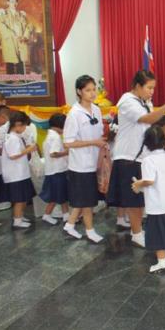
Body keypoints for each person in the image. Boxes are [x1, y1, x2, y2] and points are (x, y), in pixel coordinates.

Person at [108, 70, 165, 248]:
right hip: (128, 157)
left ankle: (137, 230)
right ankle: (136, 234)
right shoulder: (127, 101)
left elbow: (152, 123)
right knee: (133, 199)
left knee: (140, 198)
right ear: (138, 86)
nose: (152, 92)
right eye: (149, 88)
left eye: (153, 88)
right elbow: (147, 119)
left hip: (141, 157)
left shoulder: (144, 102)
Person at [131, 125, 165, 274]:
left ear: (147, 143)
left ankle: (161, 262)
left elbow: (149, 180)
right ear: (164, 141)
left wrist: (137, 184)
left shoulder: (148, 160)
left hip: (157, 205)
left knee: (158, 233)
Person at [62, 76, 106, 243]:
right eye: (88, 90)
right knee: (87, 201)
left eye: (94, 89)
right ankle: (90, 231)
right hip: (80, 165)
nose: (92, 93)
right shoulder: (74, 114)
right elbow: (68, 143)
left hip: (94, 162)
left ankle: (70, 225)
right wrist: (93, 142)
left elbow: (99, 133)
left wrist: (102, 143)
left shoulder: (96, 110)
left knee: (85, 199)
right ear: (79, 92)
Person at [1, 111, 37, 229]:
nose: (25, 128)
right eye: (24, 126)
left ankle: (19, 216)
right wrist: (29, 149)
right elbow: (13, 155)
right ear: (17, 124)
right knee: (19, 199)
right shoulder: (12, 138)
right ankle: (17, 220)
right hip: (15, 175)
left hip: (20, 173)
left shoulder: (16, 137)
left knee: (24, 197)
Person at [39, 113, 69, 226]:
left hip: (55, 170)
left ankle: (66, 216)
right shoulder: (55, 137)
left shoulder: (51, 135)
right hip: (56, 171)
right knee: (55, 196)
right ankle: (47, 215)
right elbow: (53, 153)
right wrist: (67, 152)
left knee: (62, 194)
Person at [0, 0, 33, 75]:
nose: (13, 3)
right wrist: (11, 34)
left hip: (21, 39)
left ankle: (21, 78)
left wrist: (25, 36)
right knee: (10, 60)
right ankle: (10, 79)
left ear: (17, 3)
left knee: (21, 60)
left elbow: (28, 26)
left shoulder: (21, 14)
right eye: (11, 1)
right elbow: (0, 25)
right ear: (8, 3)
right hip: (10, 40)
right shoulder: (3, 13)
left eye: (15, 2)